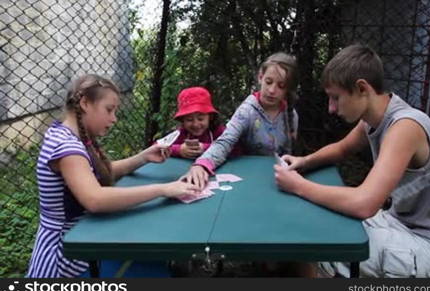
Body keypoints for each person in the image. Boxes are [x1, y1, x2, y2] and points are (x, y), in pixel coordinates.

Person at [274, 44, 430, 278]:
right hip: (400, 223)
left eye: (335, 98)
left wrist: (297, 185)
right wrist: (303, 161)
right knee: (313, 219)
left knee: (312, 242)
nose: (331, 108)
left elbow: (364, 203)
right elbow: (341, 149)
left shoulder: (405, 127)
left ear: (361, 88)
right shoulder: (373, 119)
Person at [27, 74, 199, 278]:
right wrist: (163, 189)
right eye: (109, 109)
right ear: (85, 103)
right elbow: (95, 199)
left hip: (86, 238)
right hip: (67, 259)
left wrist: (143, 157)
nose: (114, 118)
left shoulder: (66, 134)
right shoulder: (67, 148)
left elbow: (98, 173)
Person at [184, 52, 299, 189]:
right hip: (246, 179)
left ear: (288, 89)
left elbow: (288, 155)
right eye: (268, 82)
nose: (272, 90)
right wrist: (202, 164)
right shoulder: (247, 111)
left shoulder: (291, 115)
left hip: (278, 181)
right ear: (260, 78)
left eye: (281, 86)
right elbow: (226, 140)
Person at [167, 86, 238, 159]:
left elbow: (237, 148)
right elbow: (158, 146)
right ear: (182, 120)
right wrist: (179, 150)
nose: (196, 124)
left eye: (200, 119)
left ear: (210, 117)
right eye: (189, 119)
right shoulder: (181, 133)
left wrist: (205, 148)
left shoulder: (219, 131)